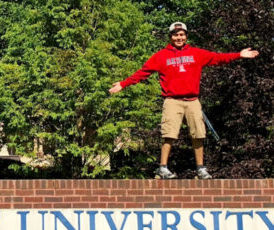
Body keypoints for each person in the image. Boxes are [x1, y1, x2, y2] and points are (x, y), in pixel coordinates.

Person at [109, 22, 258, 179]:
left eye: (181, 35)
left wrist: (238, 55)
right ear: (171, 37)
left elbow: (217, 58)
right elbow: (143, 72)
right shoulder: (161, 56)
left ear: (186, 36)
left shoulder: (196, 53)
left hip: (193, 100)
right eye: (175, 35)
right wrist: (123, 84)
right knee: (169, 134)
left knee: (198, 134)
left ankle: (201, 169)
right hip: (172, 100)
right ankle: (163, 168)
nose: (179, 38)